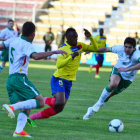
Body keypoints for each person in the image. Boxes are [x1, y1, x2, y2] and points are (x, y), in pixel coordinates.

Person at [0, 21, 66, 138]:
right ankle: (12, 107)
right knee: (40, 102)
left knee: (26, 106)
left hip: (10, 80)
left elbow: (1, 45)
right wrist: (55, 52)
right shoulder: (27, 44)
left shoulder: (14, 39)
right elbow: (35, 56)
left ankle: (18, 131)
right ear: (33, 34)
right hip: (19, 78)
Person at [27, 28, 98, 126]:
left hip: (69, 81)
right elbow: (59, 65)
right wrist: (71, 57)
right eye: (73, 38)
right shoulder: (63, 49)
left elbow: (95, 48)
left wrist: (90, 37)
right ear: (67, 38)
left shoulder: (80, 45)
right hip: (59, 78)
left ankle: (32, 117)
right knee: (59, 102)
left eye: (76, 37)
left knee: (59, 108)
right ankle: (40, 98)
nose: (76, 39)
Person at [83, 37, 140, 120]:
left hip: (128, 78)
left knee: (108, 96)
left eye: (129, 47)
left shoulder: (137, 54)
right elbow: (106, 48)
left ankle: (91, 110)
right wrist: (92, 50)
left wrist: (126, 69)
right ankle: (98, 104)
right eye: (126, 46)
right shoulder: (119, 48)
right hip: (118, 70)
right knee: (113, 84)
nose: (127, 49)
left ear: (134, 48)